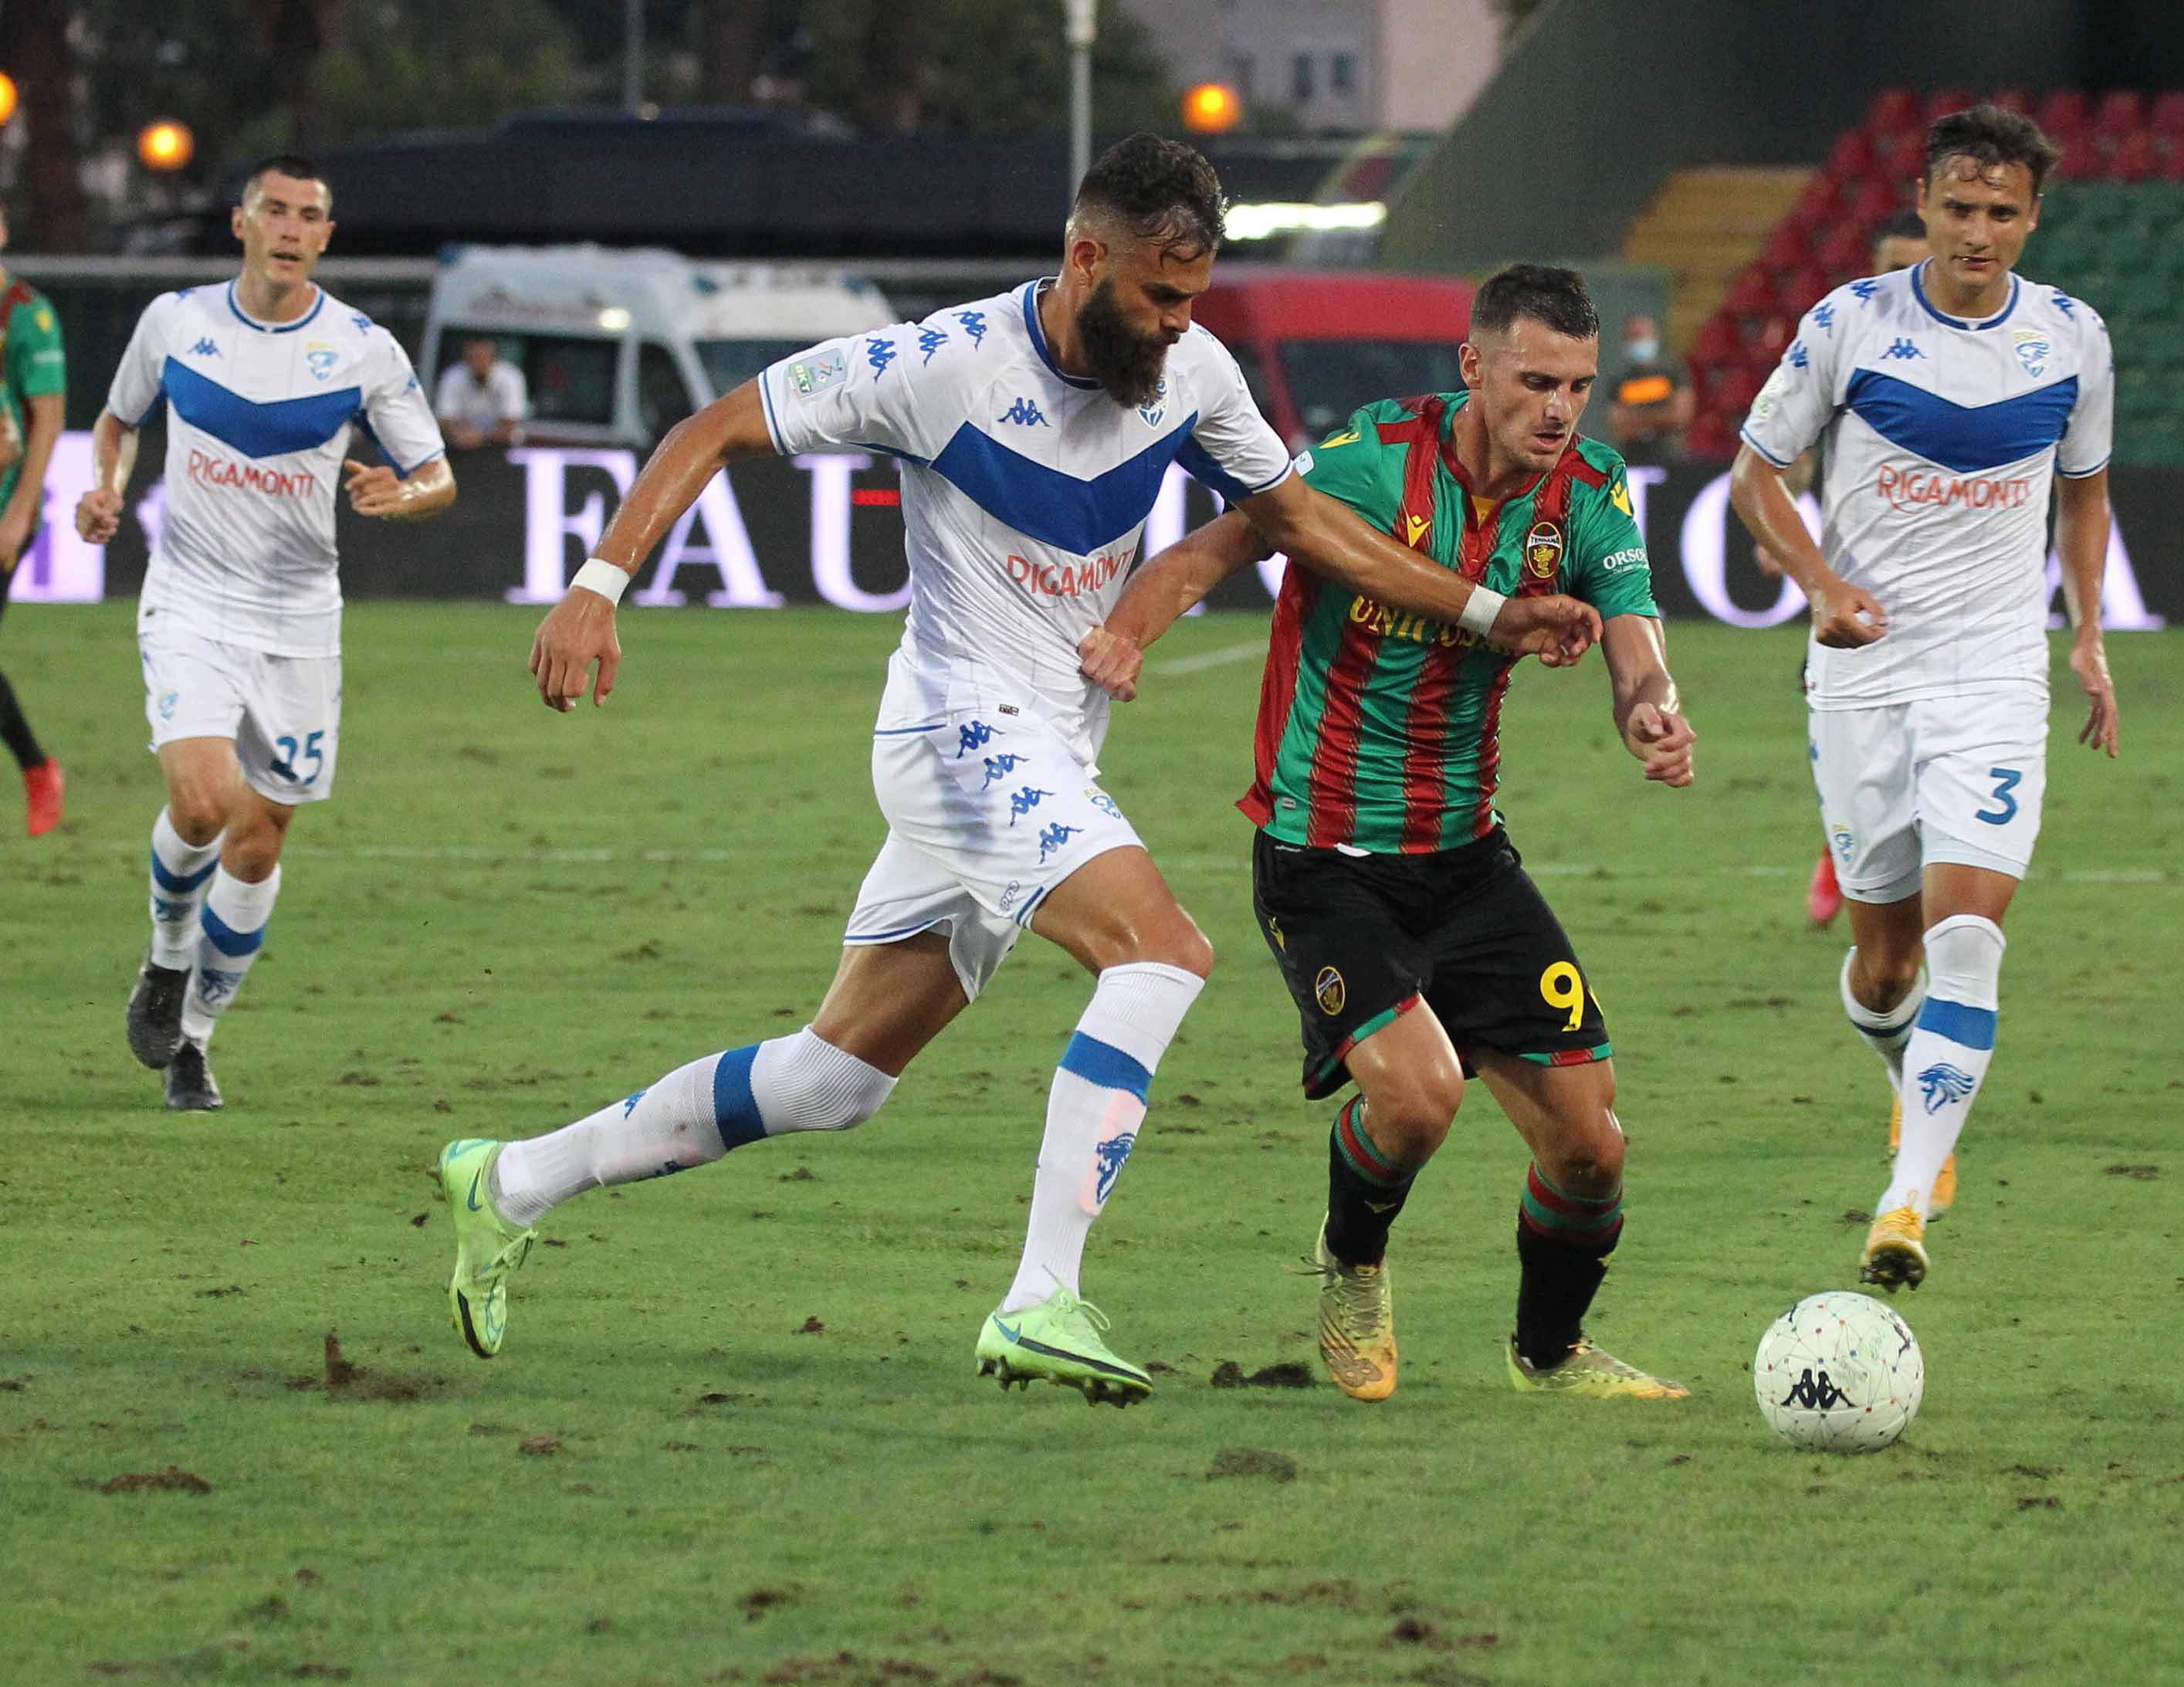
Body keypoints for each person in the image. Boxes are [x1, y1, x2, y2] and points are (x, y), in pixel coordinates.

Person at [440, 136, 1602, 1401]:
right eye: (1159, 295)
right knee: (1163, 953)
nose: (1179, 322)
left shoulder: (1194, 372)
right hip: (955, 731)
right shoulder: (942, 367)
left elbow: (1299, 521)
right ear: (1085, 256)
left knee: (834, 1079)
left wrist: (1490, 612)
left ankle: (511, 1180)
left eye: (1194, 297)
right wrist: (599, 585)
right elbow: (717, 426)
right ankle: (1041, 1295)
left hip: (1041, 751)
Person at [1081, 264, 1698, 1401]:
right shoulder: (1372, 463)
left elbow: (1631, 628)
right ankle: (1352, 1261)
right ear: (1472, 366)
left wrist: (1651, 705)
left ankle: (1548, 1354)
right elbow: (1221, 545)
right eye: (1535, 382)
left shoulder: (1588, 491)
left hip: (1466, 859)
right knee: (1417, 1099)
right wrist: (1128, 631)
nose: (1559, 409)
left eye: (1578, 385)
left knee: (1590, 1148)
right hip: (1324, 860)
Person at [1728, 105, 2118, 1289]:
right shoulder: (1849, 324)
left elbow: (2086, 493)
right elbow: (1754, 478)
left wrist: (2087, 635)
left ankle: (1903, 1206)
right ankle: (1906, 1067)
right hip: (1863, 674)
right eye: (1959, 207)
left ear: (2032, 217)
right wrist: (1819, 582)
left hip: (1993, 675)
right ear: (1924, 206)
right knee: (1888, 966)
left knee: (1968, 938)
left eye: (2002, 211)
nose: (1978, 231)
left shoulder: (2073, 339)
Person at [77, 156, 455, 1110]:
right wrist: (106, 490)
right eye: (274, 210)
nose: (290, 227)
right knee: (203, 803)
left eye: (308, 216)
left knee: (256, 847)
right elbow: (118, 420)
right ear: (241, 223)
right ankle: (167, 961)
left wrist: (403, 494)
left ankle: (194, 1042)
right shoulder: (176, 322)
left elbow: (438, 474)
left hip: (299, 620)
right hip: (191, 599)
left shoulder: (363, 348)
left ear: (325, 237)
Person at [1782, 212, 1934, 930]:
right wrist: (1785, 524)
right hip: (1859, 588)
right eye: (1892, 267)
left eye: (1917, 266)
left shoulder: (1980, 355)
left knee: (1933, 747)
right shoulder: (1844, 344)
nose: (1904, 282)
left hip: (1953, 590)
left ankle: (1915, 880)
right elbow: (1793, 445)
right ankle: (1836, 847)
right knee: (1861, 744)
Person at [0, 208, 68, 837]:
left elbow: (46, 418)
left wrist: (20, 512)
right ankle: (37, 766)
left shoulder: (25, 312)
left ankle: (37, 768)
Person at [1600, 311, 1691, 468]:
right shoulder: (1619, 381)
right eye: (1633, 336)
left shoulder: (1673, 373)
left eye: (1643, 335)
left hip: (1670, 457)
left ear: (1655, 336)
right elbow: (1618, 424)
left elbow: (1680, 416)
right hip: (1631, 459)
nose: (1639, 341)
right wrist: (1662, 416)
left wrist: (1635, 418)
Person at [435, 334, 527, 450]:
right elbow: (444, 419)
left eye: (482, 357)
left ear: (494, 359)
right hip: (460, 445)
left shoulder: (511, 377)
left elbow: (510, 424)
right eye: (472, 358)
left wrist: (480, 437)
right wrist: (459, 433)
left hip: (502, 447)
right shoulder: (453, 376)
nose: (478, 363)